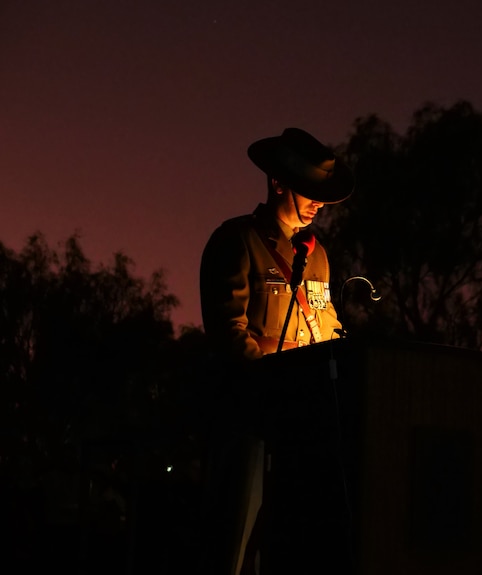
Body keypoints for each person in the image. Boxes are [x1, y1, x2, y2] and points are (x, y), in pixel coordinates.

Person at [197, 127, 354, 575]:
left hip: (307, 430)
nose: (318, 203)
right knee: (234, 544)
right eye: (310, 191)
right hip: (251, 420)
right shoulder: (236, 240)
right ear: (278, 182)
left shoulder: (318, 254)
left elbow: (326, 328)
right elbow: (230, 334)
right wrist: (273, 390)